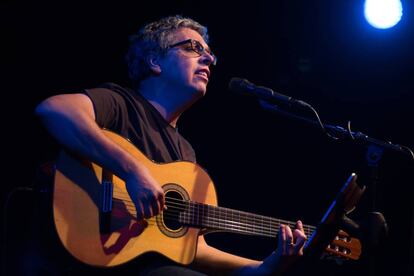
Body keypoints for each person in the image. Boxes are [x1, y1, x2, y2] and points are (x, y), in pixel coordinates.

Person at [35, 15, 307, 275]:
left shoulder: (184, 154)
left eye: (210, 54)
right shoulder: (121, 104)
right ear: (155, 61)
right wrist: (132, 171)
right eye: (193, 47)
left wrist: (263, 268)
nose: (208, 58)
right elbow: (55, 109)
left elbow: (192, 248)